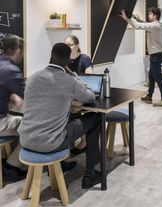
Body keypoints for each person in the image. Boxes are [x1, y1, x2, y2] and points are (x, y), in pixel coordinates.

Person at [19, 43, 101, 189]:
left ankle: (61, 164)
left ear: (50, 57)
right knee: (95, 118)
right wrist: (74, 75)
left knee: (64, 118)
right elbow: (90, 97)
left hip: (25, 139)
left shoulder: (32, 78)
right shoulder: (69, 81)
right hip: (51, 143)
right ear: (69, 61)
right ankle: (90, 174)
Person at [120, 7, 162, 107]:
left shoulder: (155, 26)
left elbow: (138, 26)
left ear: (155, 15)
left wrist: (126, 18)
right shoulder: (158, 24)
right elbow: (144, 24)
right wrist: (136, 18)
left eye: (150, 14)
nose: (148, 15)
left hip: (156, 55)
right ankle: (149, 96)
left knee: (158, 78)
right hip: (158, 54)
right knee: (151, 77)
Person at [0, 34, 26, 180]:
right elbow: (29, 94)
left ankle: (7, 158)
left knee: (18, 119)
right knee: (31, 127)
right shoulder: (11, 70)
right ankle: (11, 166)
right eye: (21, 51)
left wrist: (10, 95)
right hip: (0, 122)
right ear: (16, 50)